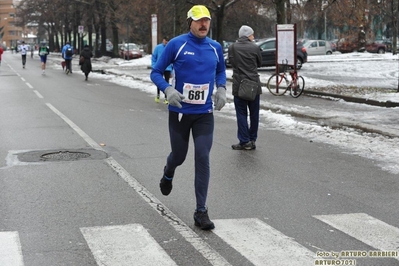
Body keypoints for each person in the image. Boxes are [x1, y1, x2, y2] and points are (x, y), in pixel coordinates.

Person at [150, 5, 226, 230]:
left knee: (202, 156)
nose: (203, 24)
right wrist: (168, 89)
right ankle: (168, 171)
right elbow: (156, 71)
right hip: (180, 113)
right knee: (179, 156)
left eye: (206, 20)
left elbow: (221, 70)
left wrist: (221, 88)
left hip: (204, 113)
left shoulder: (215, 47)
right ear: (190, 22)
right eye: (198, 20)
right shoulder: (177, 44)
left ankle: (201, 211)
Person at [228, 25, 262, 150]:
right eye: (252, 34)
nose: (253, 36)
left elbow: (232, 62)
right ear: (248, 35)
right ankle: (252, 139)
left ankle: (244, 140)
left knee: (241, 113)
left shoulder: (232, 48)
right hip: (253, 85)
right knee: (254, 113)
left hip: (239, 84)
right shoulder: (255, 47)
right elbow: (259, 62)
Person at [152, 37, 173, 104]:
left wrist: (172, 70)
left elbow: (172, 60)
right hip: (159, 68)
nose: (166, 42)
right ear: (163, 40)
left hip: (168, 68)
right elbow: (154, 57)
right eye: (165, 40)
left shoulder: (170, 48)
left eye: (167, 41)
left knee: (166, 83)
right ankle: (158, 95)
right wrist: (154, 66)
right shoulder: (158, 47)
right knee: (159, 82)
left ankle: (166, 98)